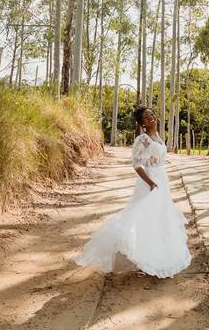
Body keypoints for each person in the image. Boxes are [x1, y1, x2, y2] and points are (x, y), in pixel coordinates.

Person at [74, 106, 192, 278]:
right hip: (150, 183)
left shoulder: (157, 137)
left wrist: (158, 182)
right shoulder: (142, 139)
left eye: (151, 114)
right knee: (144, 219)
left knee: (160, 219)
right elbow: (136, 164)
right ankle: (143, 260)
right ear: (142, 123)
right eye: (146, 117)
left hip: (162, 180)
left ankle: (157, 256)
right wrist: (151, 183)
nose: (150, 117)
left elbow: (157, 159)